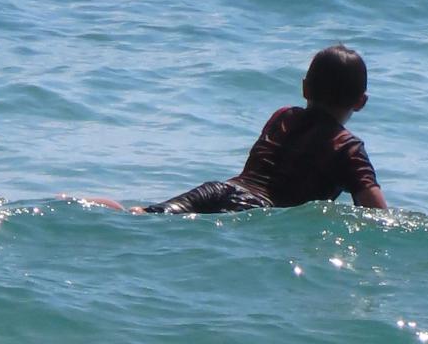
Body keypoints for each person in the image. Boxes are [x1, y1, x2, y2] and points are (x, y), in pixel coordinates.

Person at [141, 45, 391, 216]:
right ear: (361, 102)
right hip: (255, 208)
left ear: (305, 88)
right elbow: (378, 216)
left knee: (147, 216)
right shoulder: (347, 148)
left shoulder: (283, 116)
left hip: (216, 190)